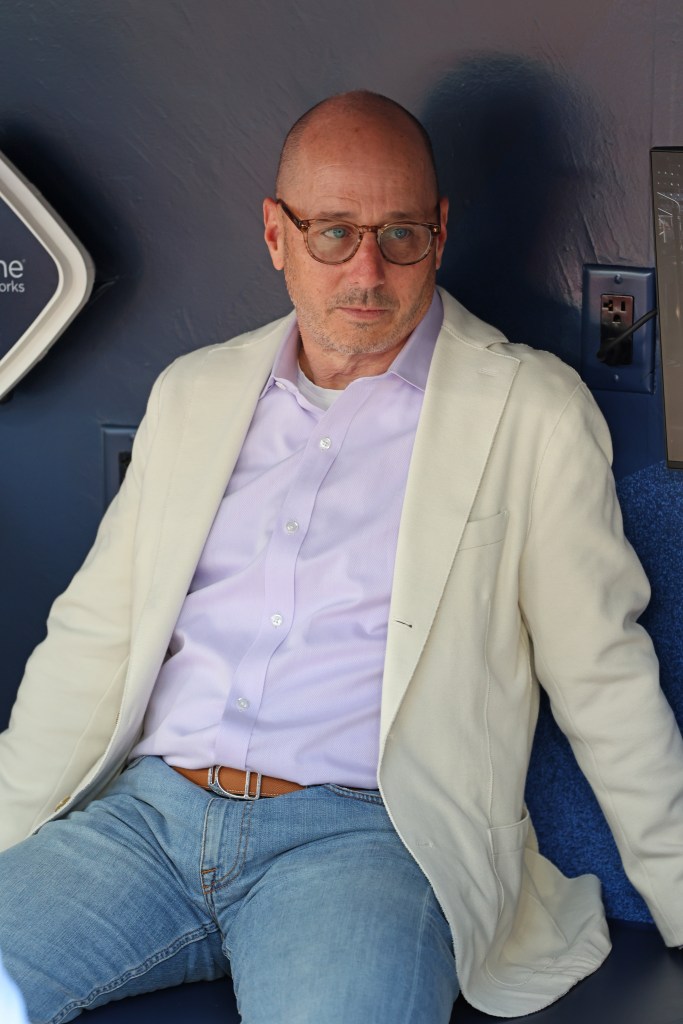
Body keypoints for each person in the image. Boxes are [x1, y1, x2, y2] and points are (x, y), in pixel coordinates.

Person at [0, 90, 682, 1024]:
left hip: (365, 841)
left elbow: (601, 676)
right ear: (276, 235)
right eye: (332, 233)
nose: (367, 269)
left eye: (399, 233)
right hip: (142, 819)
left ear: (439, 234)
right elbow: (91, 639)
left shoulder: (530, 411)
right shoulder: (195, 394)